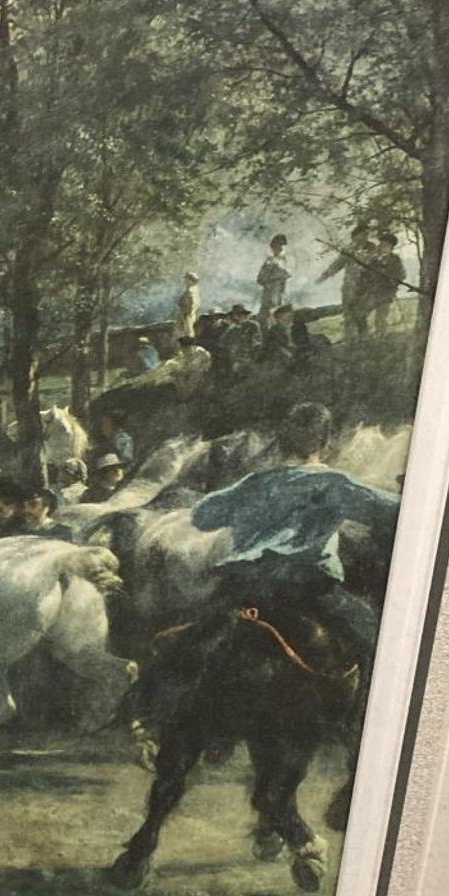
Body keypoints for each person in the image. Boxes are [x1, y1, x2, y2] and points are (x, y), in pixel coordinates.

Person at [191, 400, 398, 695]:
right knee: (380, 644)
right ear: (326, 442)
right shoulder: (333, 484)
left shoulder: (252, 483)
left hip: (242, 587)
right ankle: (361, 721)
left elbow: (201, 516)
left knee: (188, 643)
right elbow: (396, 511)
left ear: (282, 440)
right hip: (305, 589)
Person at [319, 224, 376, 341]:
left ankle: (364, 337)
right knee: (348, 312)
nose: (364, 237)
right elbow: (337, 264)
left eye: (365, 235)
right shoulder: (349, 249)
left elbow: (376, 264)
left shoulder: (372, 248)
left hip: (365, 286)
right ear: (355, 237)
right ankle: (350, 338)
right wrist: (324, 276)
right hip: (349, 286)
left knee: (361, 312)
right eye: (361, 235)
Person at [213, 303, 262, 383]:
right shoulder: (231, 329)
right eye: (235, 316)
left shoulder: (253, 326)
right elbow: (222, 343)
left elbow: (256, 343)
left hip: (248, 359)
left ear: (244, 315)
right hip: (232, 360)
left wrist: (247, 358)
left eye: (239, 315)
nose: (236, 318)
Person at [369, 231, 405, 335]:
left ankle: (381, 334)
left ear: (391, 247)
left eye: (386, 245)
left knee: (382, 313)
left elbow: (401, 274)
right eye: (382, 244)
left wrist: (393, 281)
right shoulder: (374, 259)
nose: (383, 247)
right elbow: (367, 274)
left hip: (386, 291)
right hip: (372, 290)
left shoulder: (395, 259)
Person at [256, 233, 290, 328]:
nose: (279, 248)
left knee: (279, 314)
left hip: (280, 293)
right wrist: (272, 278)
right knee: (266, 315)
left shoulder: (285, 260)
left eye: (281, 245)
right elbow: (260, 279)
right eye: (277, 245)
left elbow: (287, 275)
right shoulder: (269, 261)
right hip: (269, 293)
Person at [174, 272, 201, 344]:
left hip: (187, 315)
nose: (185, 281)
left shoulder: (191, 291)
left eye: (187, 279)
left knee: (188, 333)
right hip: (186, 314)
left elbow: (193, 304)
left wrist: (187, 313)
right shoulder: (192, 290)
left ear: (191, 281)